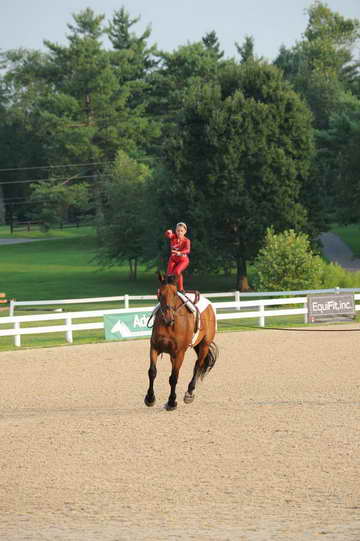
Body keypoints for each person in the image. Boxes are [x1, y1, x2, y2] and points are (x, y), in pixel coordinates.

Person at [164, 222, 190, 292]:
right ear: (175, 231)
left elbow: (188, 250)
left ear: (185, 232)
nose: (179, 232)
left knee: (177, 271)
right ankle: (171, 288)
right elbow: (168, 235)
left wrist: (180, 252)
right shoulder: (173, 237)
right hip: (173, 259)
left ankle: (181, 289)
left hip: (183, 260)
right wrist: (168, 232)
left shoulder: (186, 240)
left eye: (181, 231)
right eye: (178, 231)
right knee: (169, 274)